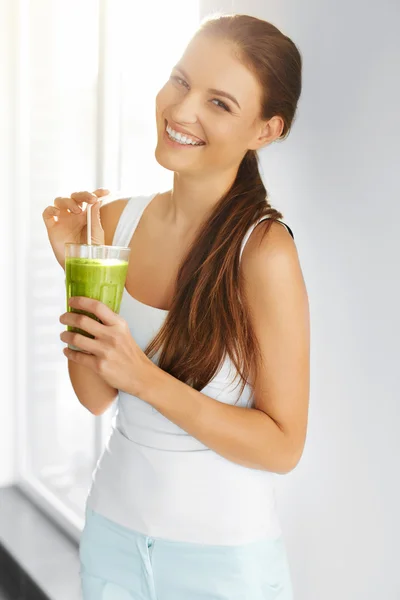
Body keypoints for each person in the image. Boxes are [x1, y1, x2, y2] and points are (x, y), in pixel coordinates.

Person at [43, 13, 309, 600]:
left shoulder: (262, 251)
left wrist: (146, 380)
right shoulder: (114, 223)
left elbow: (283, 445)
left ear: (264, 131)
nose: (183, 111)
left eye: (220, 103)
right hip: (113, 535)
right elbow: (94, 398)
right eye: (180, 81)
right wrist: (78, 272)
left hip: (224, 561)